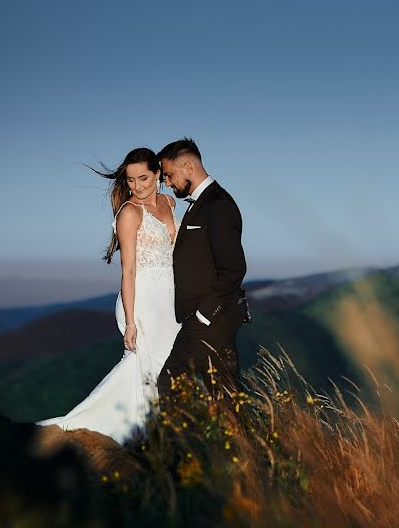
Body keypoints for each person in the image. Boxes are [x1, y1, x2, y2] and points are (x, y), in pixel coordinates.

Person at [37, 148, 181, 443]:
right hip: (141, 300)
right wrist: (130, 321)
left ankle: (157, 431)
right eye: (130, 180)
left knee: (167, 364)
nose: (137, 186)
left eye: (143, 178)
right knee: (145, 365)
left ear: (157, 174)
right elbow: (127, 272)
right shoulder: (129, 212)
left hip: (170, 299)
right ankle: (126, 431)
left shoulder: (169, 202)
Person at [157, 138, 248, 399]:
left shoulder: (218, 205)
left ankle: (177, 440)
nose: (169, 182)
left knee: (174, 384)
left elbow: (233, 269)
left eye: (169, 175)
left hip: (211, 320)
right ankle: (229, 439)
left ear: (187, 167)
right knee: (223, 395)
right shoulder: (203, 203)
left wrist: (203, 316)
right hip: (203, 320)